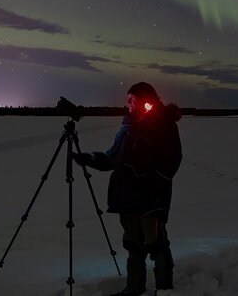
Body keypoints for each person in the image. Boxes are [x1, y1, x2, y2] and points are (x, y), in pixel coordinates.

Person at [73, 82, 182, 296]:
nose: (128, 104)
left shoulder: (164, 124)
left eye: (132, 99)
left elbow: (171, 162)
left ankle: (165, 290)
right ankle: (134, 289)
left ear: (144, 99)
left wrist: (148, 181)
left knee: (156, 244)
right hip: (127, 198)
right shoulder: (128, 125)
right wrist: (90, 158)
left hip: (151, 200)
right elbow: (112, 157)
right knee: (133, 245)